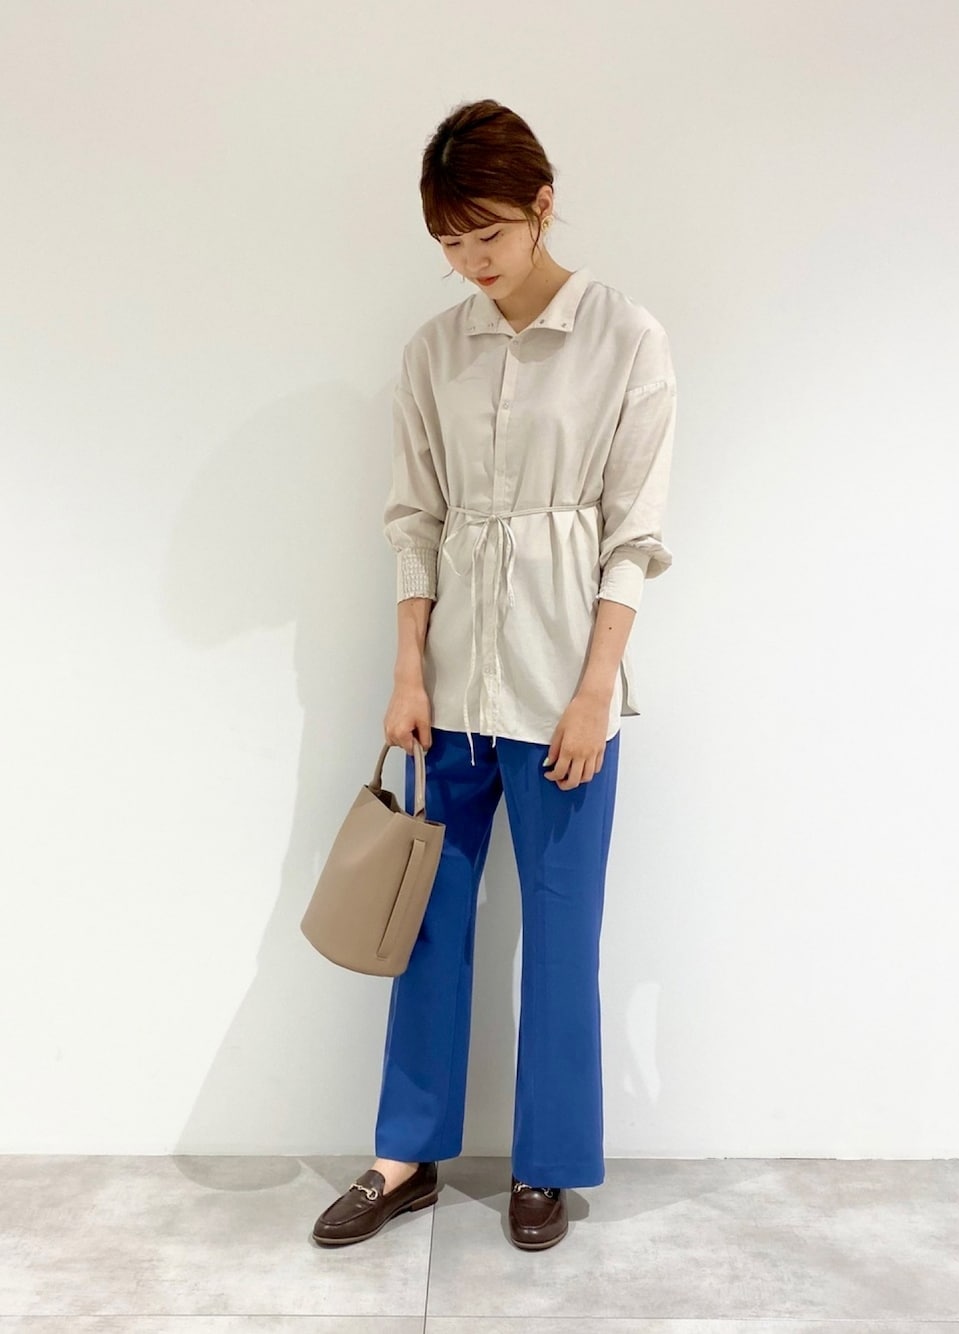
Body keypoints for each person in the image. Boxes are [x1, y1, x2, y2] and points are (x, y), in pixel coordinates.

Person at [313, 98, 677, 1252]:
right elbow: (414, 521)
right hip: (449, 694)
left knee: (563, 935)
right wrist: (406, 671)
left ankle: (545, 1164)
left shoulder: (625, 337)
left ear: (542, 204)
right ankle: (404, 1155)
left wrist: (593, 691)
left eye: (489, 235)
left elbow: (633, 536)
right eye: (451, 242)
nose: (472, 261)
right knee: (425, 923)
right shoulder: (434, 351)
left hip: (565, 690)